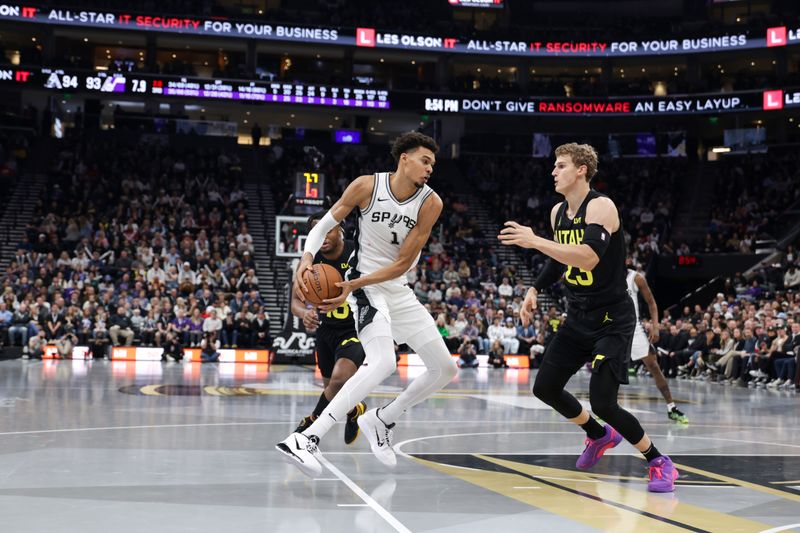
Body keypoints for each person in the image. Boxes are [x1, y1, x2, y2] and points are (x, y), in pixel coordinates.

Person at [498, 142, 677, 493]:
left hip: (613, 319)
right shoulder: (557, 212)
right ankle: (597, 434)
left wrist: (535, 241)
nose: (553, 171)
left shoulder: (601, 206)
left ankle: (658, 460)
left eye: (560, 165)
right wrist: (534, 288)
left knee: (603, 402)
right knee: (545, 387)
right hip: (579, 315)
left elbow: (587, 257)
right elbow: (560, 260)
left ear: (581, 170)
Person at [276, 132, 458, 477]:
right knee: (383, 362)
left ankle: (383, 418)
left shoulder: (431, 203)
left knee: (444, 369)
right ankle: (306, 439)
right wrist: (305, 259)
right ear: (403, 158)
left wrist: (352, 284)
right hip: (366, 290)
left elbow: (403, 263)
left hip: (393, 287)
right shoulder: (367, 186)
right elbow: (325, 225)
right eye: (424, 160)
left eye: (433, 163)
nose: (430, 168)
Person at [290, 212, 367, 446]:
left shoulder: (358, 253)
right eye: (317, 232)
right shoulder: (308, 262)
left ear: (340, 229)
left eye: (327, 230)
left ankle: (310, 425)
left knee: (339, 378)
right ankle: (354, 411)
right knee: (333, 392)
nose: (322, 236)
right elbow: (294, 302)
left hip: (355, 330)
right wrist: (306, 314)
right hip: (326, 332)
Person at [626, 264, 688, 424]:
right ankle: (603, 407)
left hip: (634, 328)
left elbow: (651, 302)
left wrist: (655, 326)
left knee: (653, 366)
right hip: (612, 328)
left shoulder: (636, 278)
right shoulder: (606, 274)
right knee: (607, 366)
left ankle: (672, 408)